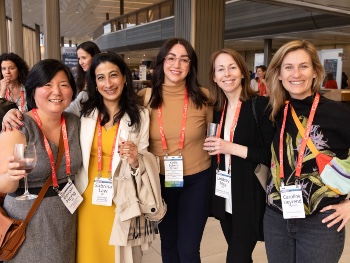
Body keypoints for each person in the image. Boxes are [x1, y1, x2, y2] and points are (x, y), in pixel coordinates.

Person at [2, 52, 156, 263]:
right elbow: (48, 108)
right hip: (84, 201)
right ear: (93, 82)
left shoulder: (140, 115)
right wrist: (10, 112)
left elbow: (146, 155)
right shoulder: (84, 111)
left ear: (124, 78)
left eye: (114, 75)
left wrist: (136, 159)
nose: (108, 83)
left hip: (121, 198)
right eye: (100, 77)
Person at [264, 40, 350, 263]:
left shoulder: (338, 114)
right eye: (289, 67)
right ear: (279, 75)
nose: (296, 74)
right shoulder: (275, 113)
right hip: (277, 219)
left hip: (320, 222)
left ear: (315, 72)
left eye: (303, 66)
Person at [138, 37, 212, 263]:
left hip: (197, 180)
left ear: (191, 66)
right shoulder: (145, 97)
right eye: (171, 58)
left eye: (184, 59)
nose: (176, 65)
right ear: (161, 63)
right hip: (160, 181)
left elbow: (215, 135)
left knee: (189, 249)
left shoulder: (204, 96)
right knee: (168, 243)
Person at [0, 59, 82, 263]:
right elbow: (3, 183)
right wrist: (10, 176)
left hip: (66, 216)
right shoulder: (18, 126)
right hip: (27, 220)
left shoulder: (75, 123)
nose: (57, 91)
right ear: (33, 90)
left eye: (64, 85)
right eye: (47, 85)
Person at [203, 48, 275, 263]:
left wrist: (230, 147)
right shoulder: (216, 109)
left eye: (232, 67)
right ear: (214, 77)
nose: (227, 74)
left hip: (249, 195)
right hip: (224, 193)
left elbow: (271, 155)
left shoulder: (260, 106)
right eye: (221, 69)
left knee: (236, 257)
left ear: (243, 73)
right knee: (241, 255)